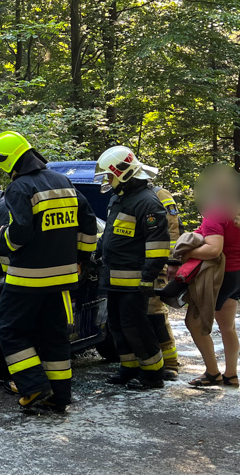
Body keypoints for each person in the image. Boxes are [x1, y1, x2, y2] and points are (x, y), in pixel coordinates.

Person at [0, 131, 98, 413]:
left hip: (27, 278)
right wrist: (82, 258)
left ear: (9, 161)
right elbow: (88, 223)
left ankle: (33, 385)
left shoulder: (19, 188)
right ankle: (60, 396)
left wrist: (3, 239)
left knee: (9, 329)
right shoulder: (63, 182)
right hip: (63, 279)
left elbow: (22, 231)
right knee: (55, 336)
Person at [95, 145, 171, 390]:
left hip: (134, 281)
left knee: (136, 327)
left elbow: (158, 246)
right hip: (114, 278)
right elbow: (110, 233)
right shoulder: (121, 197)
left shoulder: (148, 202)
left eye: (110, 175)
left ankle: (152, 375)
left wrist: (149, 277)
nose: (108, 180)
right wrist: (96, 254)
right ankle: (128, 367)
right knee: (117, 325)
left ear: (123, 172)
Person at [182, 166, 240, 387]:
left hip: (218, 279)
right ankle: (231, 374)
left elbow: (213, 250)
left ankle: (212, 372)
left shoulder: (214, 215)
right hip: (237, 276)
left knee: (193, 322)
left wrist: (186, 252)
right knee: (227, 327)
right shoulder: (239, 212)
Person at [149, 185, 184, 379]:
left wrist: (173, 260)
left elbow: (173, 230)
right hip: (136, 264)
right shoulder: (123, 195)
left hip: (159, 262)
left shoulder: (160, 194)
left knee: (155, 311)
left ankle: (170, 362)